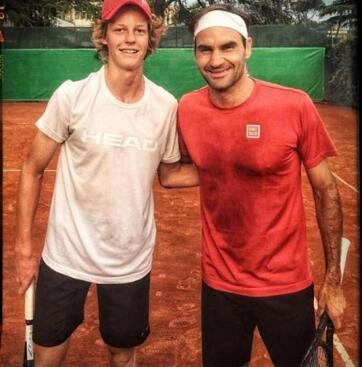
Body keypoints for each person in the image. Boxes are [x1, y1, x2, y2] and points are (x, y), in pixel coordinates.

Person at [14, 0, 198, 366]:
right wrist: (23, 251)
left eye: (139, 30)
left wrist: (231, 169)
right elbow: (31, 168)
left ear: (150, 39)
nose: (130, 39)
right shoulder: (73, 96)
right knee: (47, 352)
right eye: (120, 29)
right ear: (104, 37)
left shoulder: (165, 107)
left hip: (129, 259)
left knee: (122, 352)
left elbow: (170, 174)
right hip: (66, 256)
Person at [177, 4, 345, 367]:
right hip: (219, 286)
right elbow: (183, 170)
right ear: (195, 54)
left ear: (248, 47)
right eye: (205, 49)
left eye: (228, 47)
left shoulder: (294, 105)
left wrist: (333, 280)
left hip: (286, 286)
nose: (216, 59)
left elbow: (326, 191)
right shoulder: (187, 109)